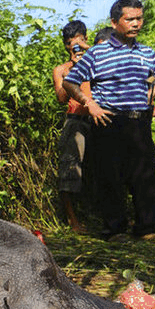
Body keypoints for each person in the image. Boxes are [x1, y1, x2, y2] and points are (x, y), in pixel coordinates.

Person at [63, 0, 155, 241]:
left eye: (139, 18)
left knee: (144, 175)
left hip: (139, 121)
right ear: (115, 22)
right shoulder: (97, 53)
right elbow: (69, 82)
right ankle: (115, 229)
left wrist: (150, 93)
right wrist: (90, 103)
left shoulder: (146, 52)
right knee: (110, 176)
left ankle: (147, 228)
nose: (136, 24)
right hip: (109, 122)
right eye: (130, 19)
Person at [52, 20, 91, 232]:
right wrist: (73, 73)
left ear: (85, 40)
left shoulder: (97, 62)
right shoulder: (62, 70)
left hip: (99, 120)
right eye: (70, 43)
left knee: (107, 168)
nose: (74, 47)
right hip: (75, 121)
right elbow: (60, 97)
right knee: (69, 170)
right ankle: (72, 219)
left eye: (78, 42)